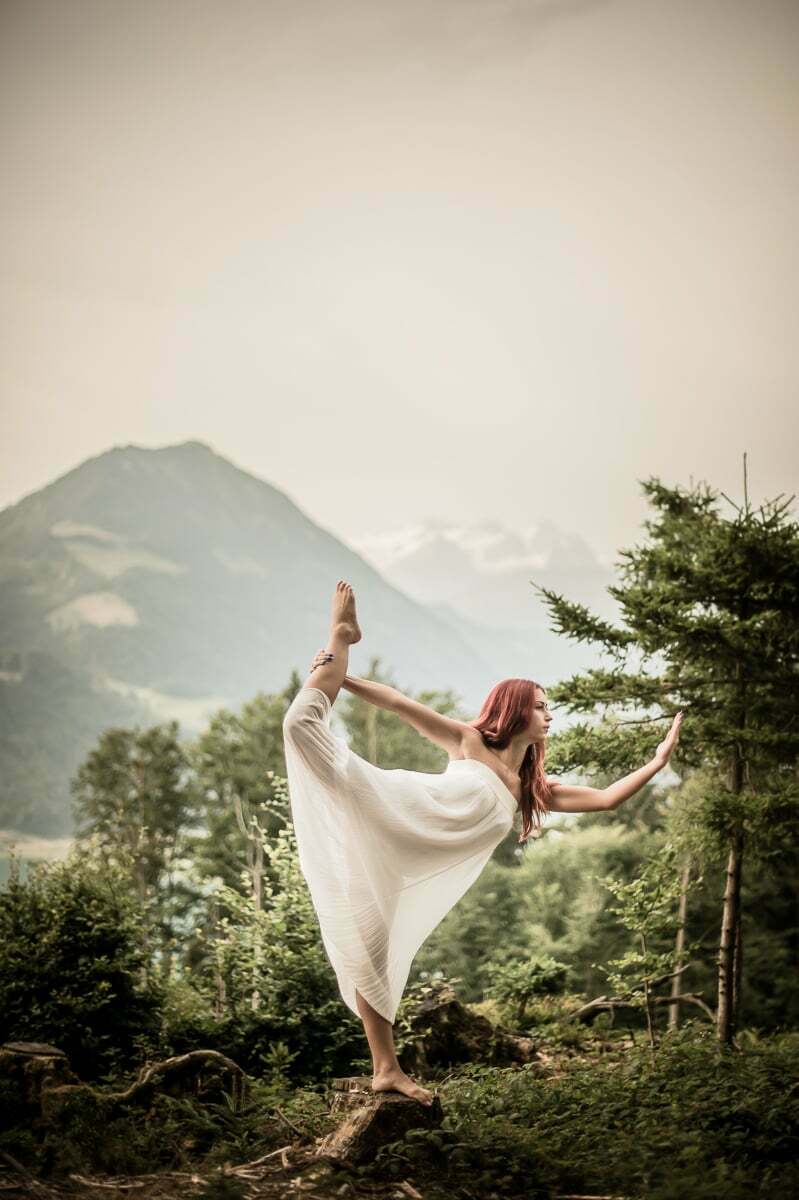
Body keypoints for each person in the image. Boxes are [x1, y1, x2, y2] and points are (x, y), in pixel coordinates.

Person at [282, 580, 683, 1105]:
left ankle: (385, 1070)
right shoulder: (470, 743)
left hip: (407, 860)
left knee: (373, 955)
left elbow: (607, 799)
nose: (549, 714)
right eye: (540, 706)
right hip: (395, 810)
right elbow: (401, 705)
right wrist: (342, 675)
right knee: (299, 727)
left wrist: (656, 762)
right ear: (515, 710)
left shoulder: (532, 791)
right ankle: (340, 638)